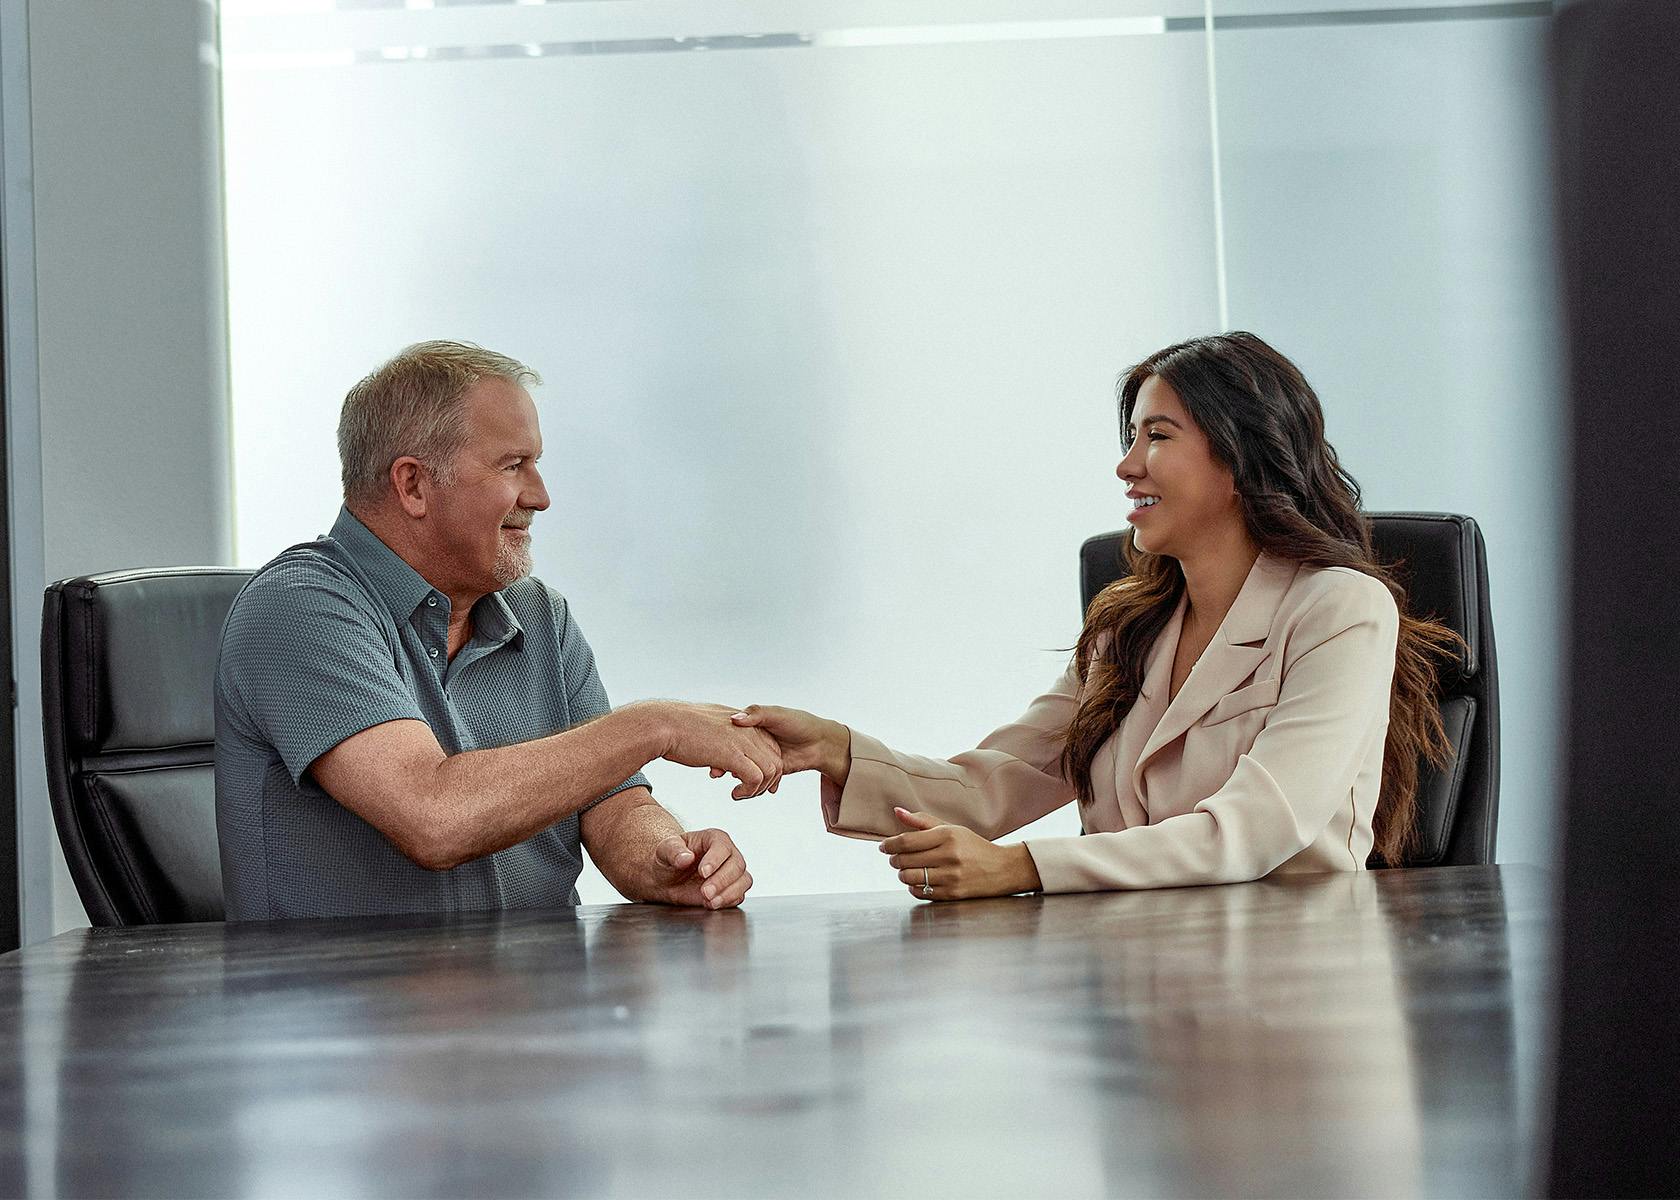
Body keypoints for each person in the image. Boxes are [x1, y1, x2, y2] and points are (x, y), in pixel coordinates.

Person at [733, 332, 1456, 900]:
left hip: (1296, 993)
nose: (1127, 465)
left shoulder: (1339, 608)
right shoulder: (1126, 629)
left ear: (1238, 459)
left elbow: (1257, 829)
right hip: (1136, 984)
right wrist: (835, 749)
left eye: (1159, 436)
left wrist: (1020, 867)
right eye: (1131, 438)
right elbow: (996, 785)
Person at [215, 341, 781, 919]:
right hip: (353, 1002)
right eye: (514, 466)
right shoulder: (298, 607)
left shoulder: (541, 616)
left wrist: (667, 861)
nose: (540, 496)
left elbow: (611, 801)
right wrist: (654, 725)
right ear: (412, 485)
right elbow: (433, 817)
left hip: (537, 997)